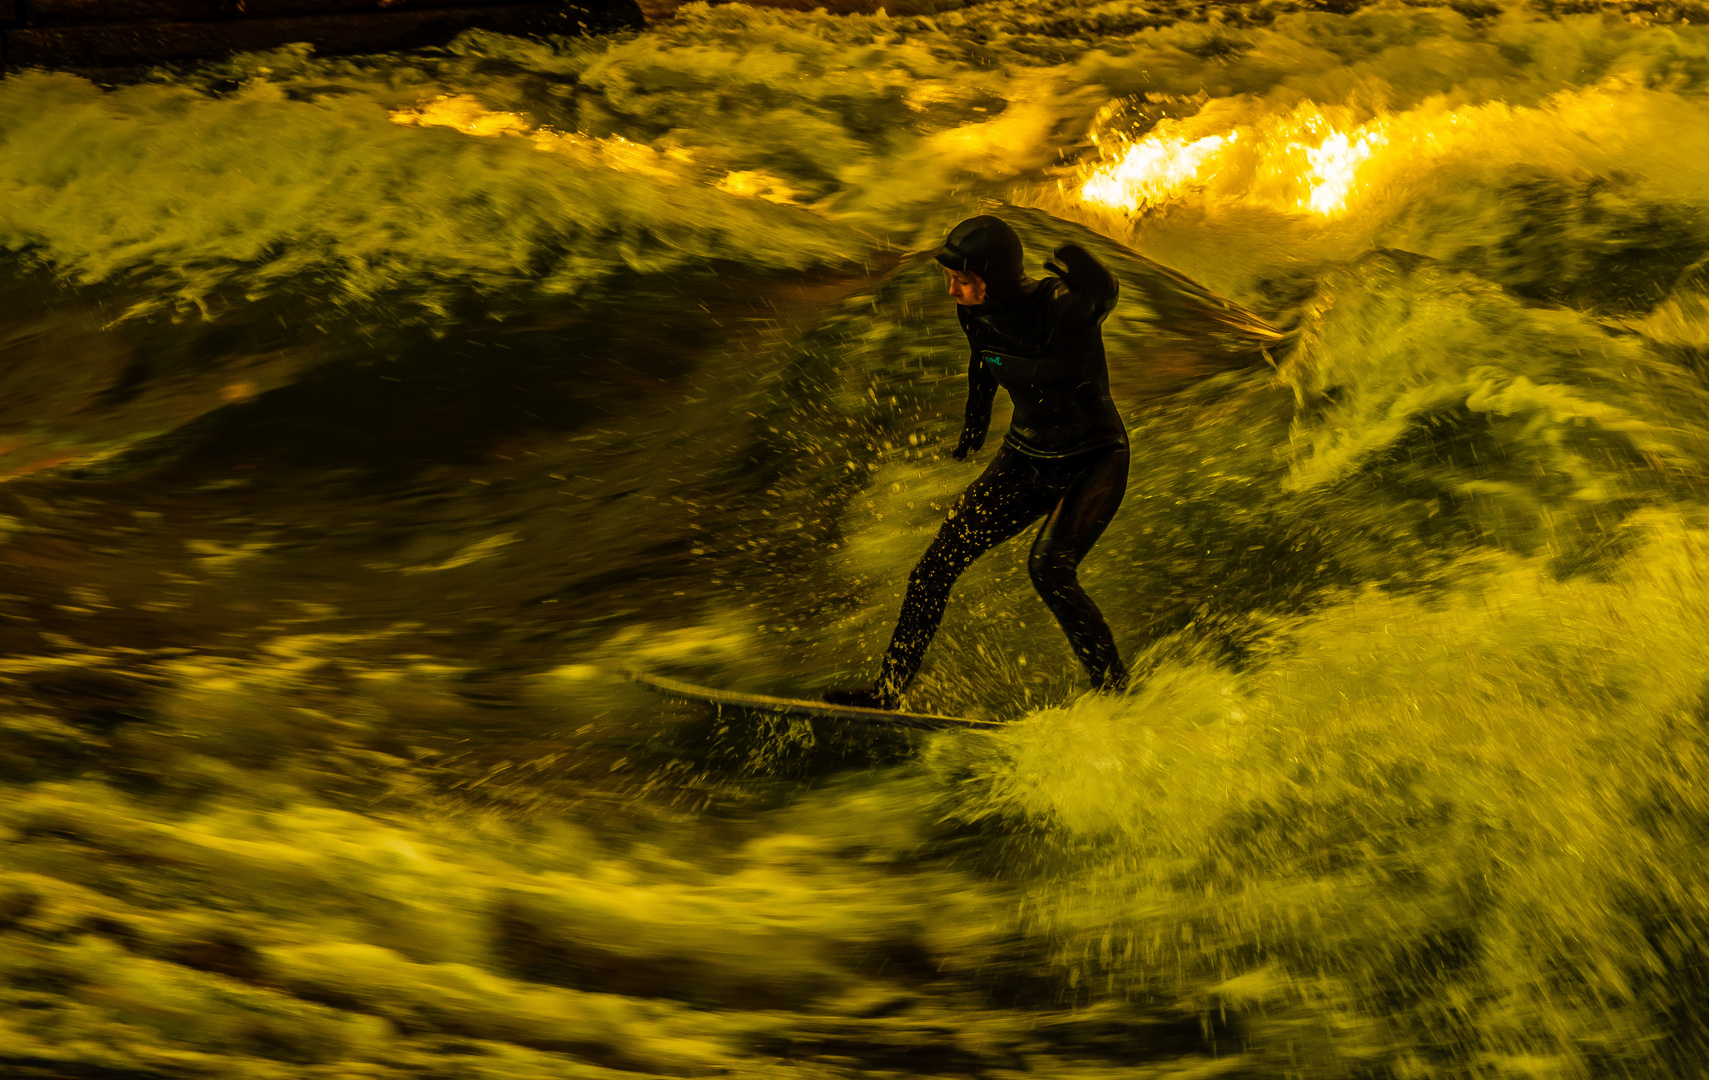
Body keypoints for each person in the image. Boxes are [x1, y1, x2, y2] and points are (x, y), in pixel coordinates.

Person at [826, 215, 1130, 711]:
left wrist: (1086, 264)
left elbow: (1101, 296)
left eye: (962, 279)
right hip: (1026, 456)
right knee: (932, 570)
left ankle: (1117, 698)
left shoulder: (1057, 307)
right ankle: (889, 692)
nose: (953, 290)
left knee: (1050, 570)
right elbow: (983, 359)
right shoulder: (976, 312)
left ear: (996, 276)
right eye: (949, 279)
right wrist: (975, 420)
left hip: (1093, 459)